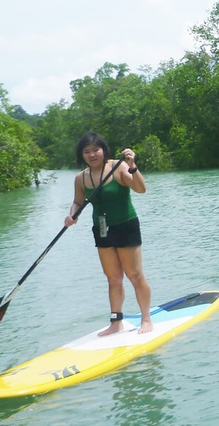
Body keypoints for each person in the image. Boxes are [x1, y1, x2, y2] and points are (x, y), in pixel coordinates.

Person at [64, 132, 154, 336]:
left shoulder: (118, 167)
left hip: (126, 225)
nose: (92, 154)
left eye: (96, 149)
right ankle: (116, 322)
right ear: (82, 155)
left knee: (135, 275)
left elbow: (141, 189)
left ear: (104, 150)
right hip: (102, 230)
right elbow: (78, 202)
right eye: (87, 151)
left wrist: (133, 165)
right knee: (113, 278)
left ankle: (146, 318)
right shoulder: (81, 177)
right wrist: (72, 216)